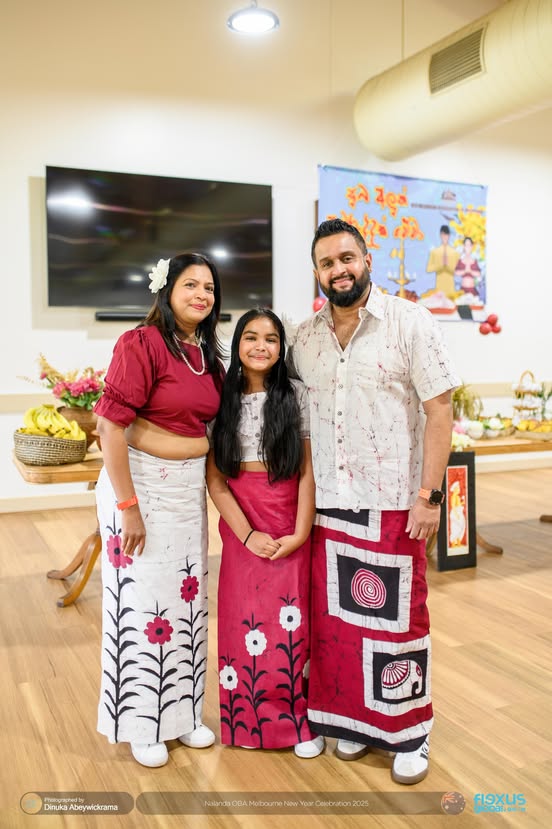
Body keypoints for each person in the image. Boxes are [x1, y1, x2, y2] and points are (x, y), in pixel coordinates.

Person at [289, 219, 460, 784]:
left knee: (399, 622)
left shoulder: (409, 322)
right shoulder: (304, 336)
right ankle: (359, 727)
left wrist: (429, 497)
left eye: (346, 258)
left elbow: (440, 410)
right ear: (316, 273)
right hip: (330, 503)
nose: (338, 270)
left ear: (367, 258)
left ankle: (409, 730)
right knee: (337, 627)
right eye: (326, 263)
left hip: (392, 501)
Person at [94, 252, 225, 768]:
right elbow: (110, 428)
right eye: (190, 284)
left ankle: (183, 716)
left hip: (186, 495)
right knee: (143, 606)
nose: (201, 295)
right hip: (140, 491)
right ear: (166, 289)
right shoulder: (140, 344)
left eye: (210, 288)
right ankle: (142, 723)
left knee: (187, 604)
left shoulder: (206, 355)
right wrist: (128, 508)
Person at [207, 309, 324, 759]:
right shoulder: (223, 398)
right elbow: (216, 482)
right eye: (251, 337)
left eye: (271, 339)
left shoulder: (296, 394)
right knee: (244, 619)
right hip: (243, 524)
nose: (261, 346)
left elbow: (308, 473)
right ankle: (245, 723)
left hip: (289, 521)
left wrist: (299, 532)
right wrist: (246, 535)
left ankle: (296, 724)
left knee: (292, 625)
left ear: (282, 348)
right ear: (237, 344)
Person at [425, 224, 460, 296]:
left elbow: (458, 271)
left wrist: (447, 266)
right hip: (439, 287)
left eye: (446, 235)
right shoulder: (434, 252)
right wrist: (440, 266)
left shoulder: (454, 252)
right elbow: (428, 269)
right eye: (443, 234)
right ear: (440, 235)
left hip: (451, 288)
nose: (444, 237)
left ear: (449, 236)